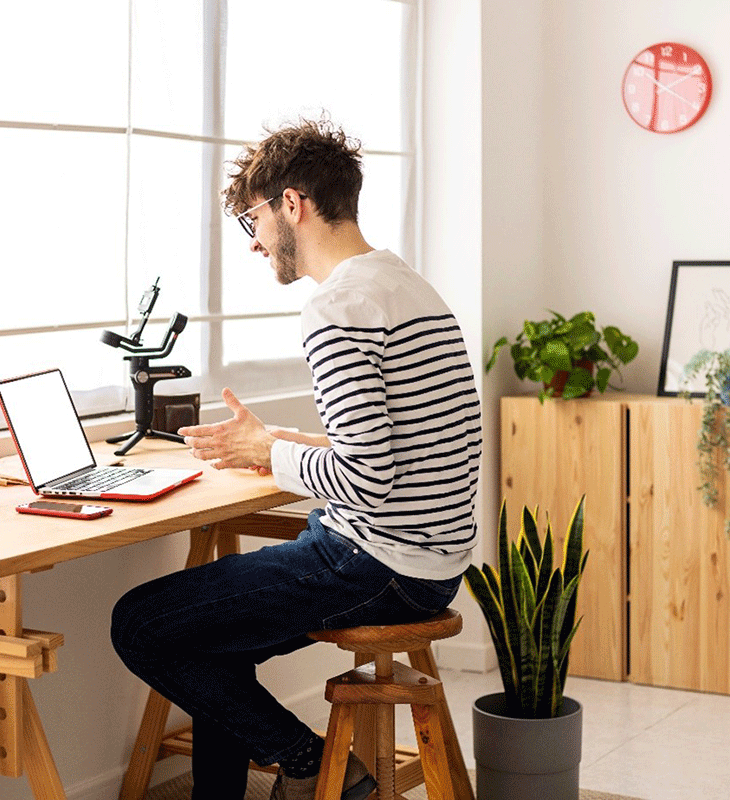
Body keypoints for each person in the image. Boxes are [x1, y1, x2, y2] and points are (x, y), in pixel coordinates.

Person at [110, 118, 482, 800]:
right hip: (431, 561)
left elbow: (368, 480)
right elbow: (401, 450)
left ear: (292, 203)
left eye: (252, 219)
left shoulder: (338, 308)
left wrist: (271, 453)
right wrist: (281, 442)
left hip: (378, 563)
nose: (253, 241)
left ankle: (314, 766)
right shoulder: (405, 287)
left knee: (140, 625)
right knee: (213, 643)